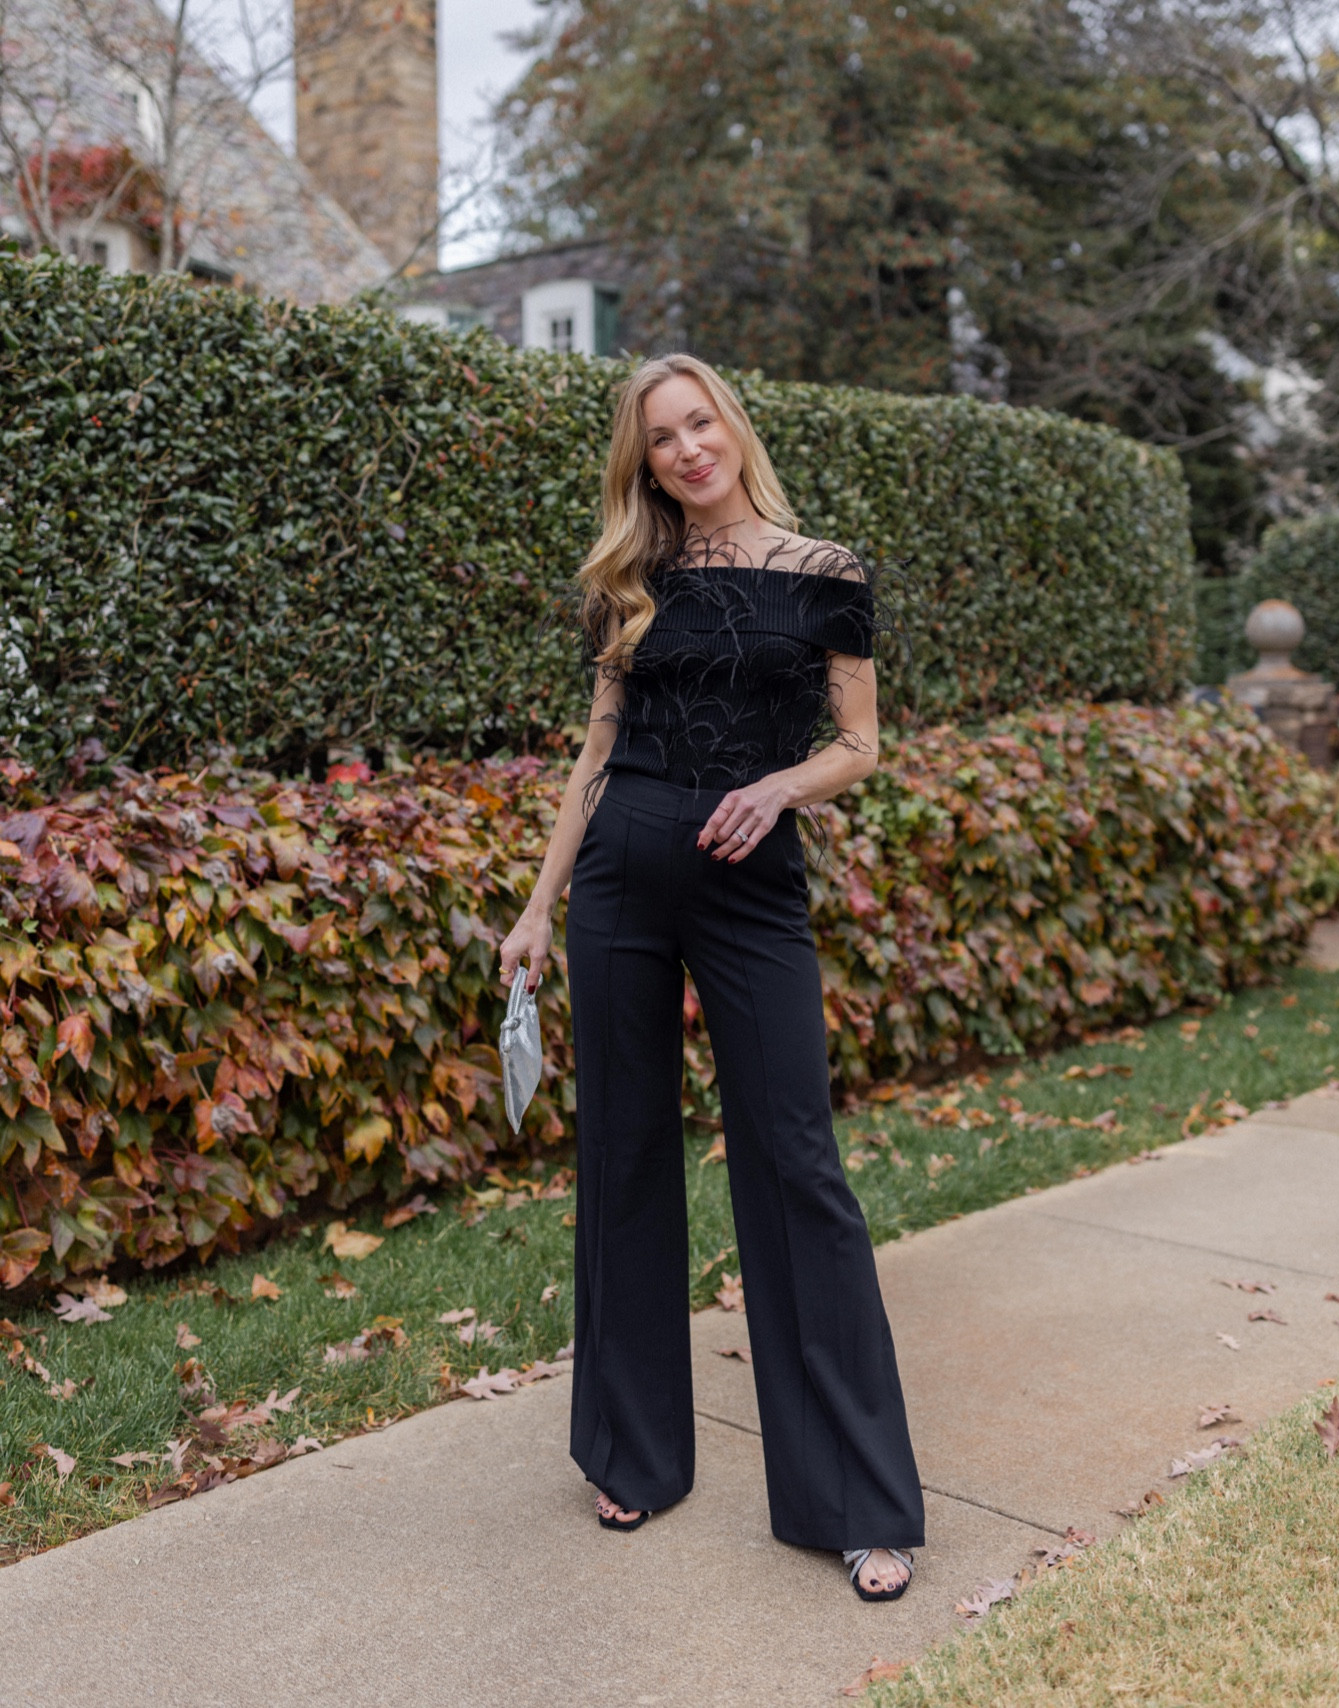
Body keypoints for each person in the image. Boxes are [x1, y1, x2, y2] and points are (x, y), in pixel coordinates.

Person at [497, 353, 923, 1601]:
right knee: (622, 1153)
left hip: (748, 884)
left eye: (701, 424)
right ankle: (633, 1452)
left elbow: (860, 744)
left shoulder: (826, 573)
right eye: (661, 440)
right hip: (623, 872)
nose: (688, 449)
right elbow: (596, 752)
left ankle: (854, 1498)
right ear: (642, 465)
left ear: (733, 426)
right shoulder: (631, 582)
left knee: (796, 1163)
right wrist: (536, 907)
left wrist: (776, 786)